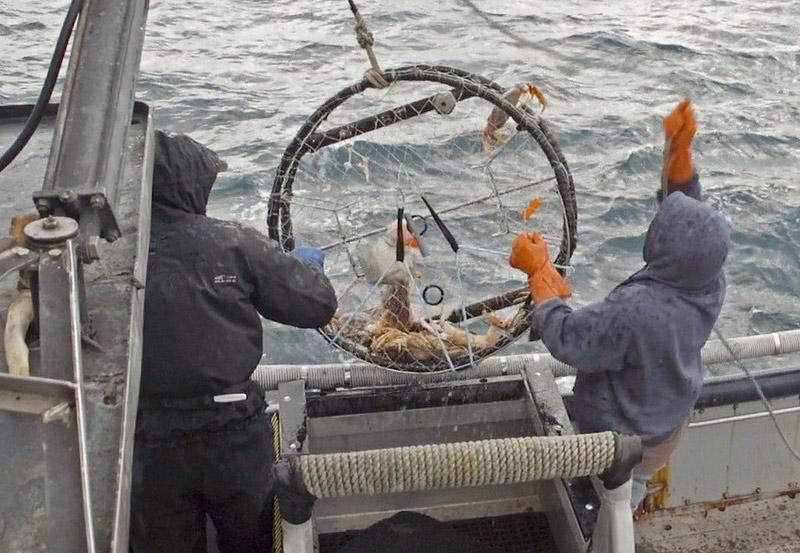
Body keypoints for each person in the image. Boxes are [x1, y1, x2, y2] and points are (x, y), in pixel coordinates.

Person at [509, 100, 730, 509]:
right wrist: (677, 148)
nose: (658, 217)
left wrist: (537, 270)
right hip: (666, 420)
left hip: (627, 436)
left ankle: (615, 523)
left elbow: (570, 338)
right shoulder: (709, 280)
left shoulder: (636, 310)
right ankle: (632, 494)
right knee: (639, 477)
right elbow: (685, 205)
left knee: (615, 496)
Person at [131, 131, 337, 553]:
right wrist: (306, 265)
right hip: (232, 437)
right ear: (193, 186)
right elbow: (316, 305)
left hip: (145, 442)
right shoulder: (232, 241)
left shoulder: (114, 251)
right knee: (250, 541)